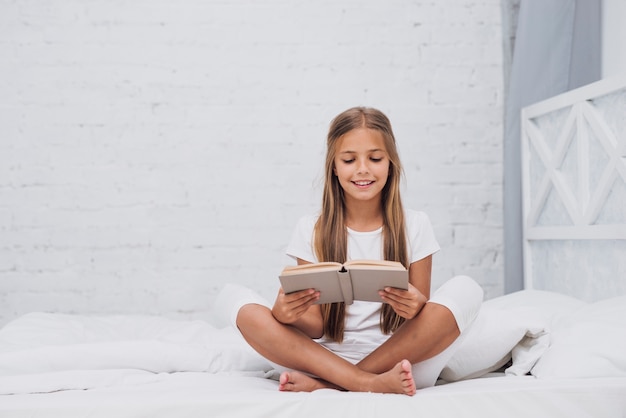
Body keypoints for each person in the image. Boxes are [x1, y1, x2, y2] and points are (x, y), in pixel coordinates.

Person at [234, 107, 483, 396]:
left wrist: (416, 305)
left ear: (390, 163)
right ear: (334, 167)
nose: (363, 169)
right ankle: (364, 383)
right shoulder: (310, 228)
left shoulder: (415, 224)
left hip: (402, 362)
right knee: (241, 307)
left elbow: (421, 320)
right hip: (324, 358)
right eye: (350, 160)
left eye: (375, 158)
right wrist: (286, 314)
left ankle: (335, 385)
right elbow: (316, 327)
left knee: (468, 289)